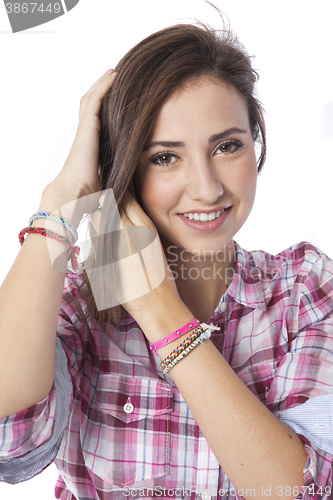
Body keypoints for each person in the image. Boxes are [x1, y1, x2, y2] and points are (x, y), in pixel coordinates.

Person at [0, 16, 333, 500]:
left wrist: (161, 313)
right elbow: (10, 426)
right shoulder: (73, 303)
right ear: (124, 169)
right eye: (164, 157)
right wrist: (63, 197)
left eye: (227, 146)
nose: (207, 187)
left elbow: (300, 491)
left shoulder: (305, 288)